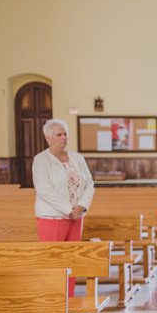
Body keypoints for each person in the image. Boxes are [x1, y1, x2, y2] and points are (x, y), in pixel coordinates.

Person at [32, 119, 95, 297]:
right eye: (59, 134)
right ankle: (52, 299)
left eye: (65, 134)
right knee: (53, 261)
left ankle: (69, 298)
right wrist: (69, 209)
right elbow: (44, 189)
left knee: (71, 259)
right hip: (51, 218)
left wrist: (82, 206)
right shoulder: (41, 160)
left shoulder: (77, 158)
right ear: (48, 137)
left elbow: (89, 184)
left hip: (76, 218)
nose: (63, 138)